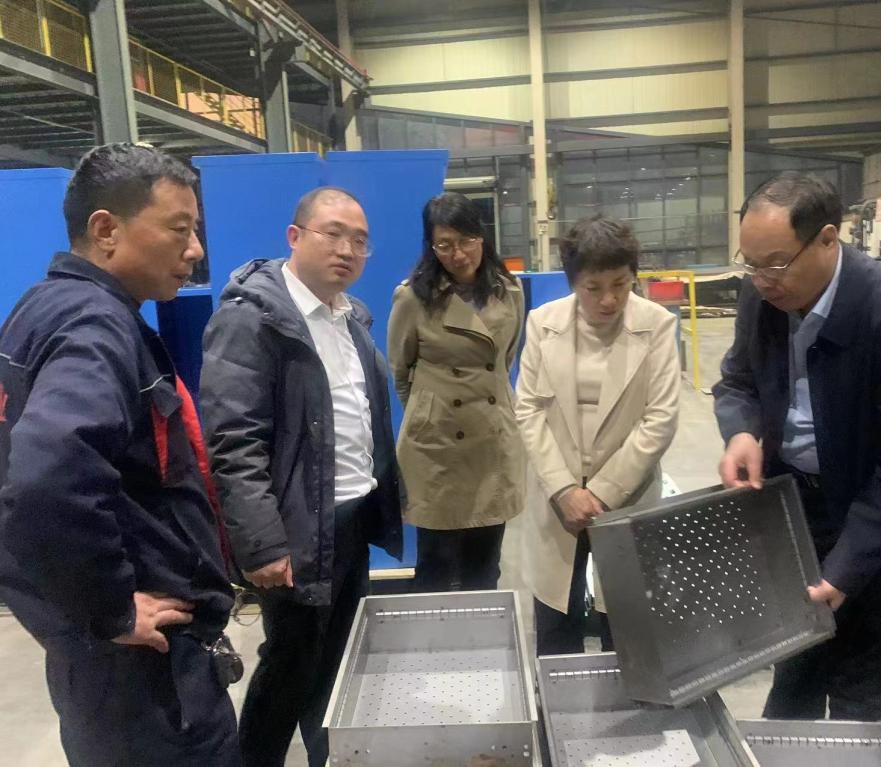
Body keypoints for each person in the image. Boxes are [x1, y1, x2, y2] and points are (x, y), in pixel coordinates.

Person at [0, 143, 240, 766]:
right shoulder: (94, 325)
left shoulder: (41, 308)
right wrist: (109, 609)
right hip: (147, 674)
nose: (195, 250)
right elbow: (46, 479)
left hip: (96, 662)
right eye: (179, 229)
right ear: (106, 230)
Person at [713, 172, 881, 721]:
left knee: (862, 702)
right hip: (803, 514)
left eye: (775, 263)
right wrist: (742, 432)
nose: (761, 280)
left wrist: (846, 569)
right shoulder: (762, 295)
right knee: (794, 687)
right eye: (750, 264)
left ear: (828, 239)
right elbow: (738, 381)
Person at [200, 187, 403, 767]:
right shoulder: (251, 320)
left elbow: (361, 417)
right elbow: (233, 441)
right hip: (295, 529)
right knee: (291, 664)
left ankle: (329, 758)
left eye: (359, 240)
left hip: (349, 519)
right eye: (332, 234)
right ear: (295, 237)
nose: (347, 250)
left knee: (339, 660)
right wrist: (262, 544)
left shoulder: (351, 317)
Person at [515, 214, 681, 656]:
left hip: (627, 498)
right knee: (556, 624)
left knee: (624, 630)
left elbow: (661, 418)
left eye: (621, 284)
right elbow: (528, 409)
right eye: (594, 288)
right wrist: (564, 489)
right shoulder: (543, 323)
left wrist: (603, 493)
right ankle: (557, 701)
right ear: (573, 282)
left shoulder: (657, 325)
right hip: (558, 502)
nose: (609, 299)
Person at [388, 192, 525, 592]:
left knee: (485, 567)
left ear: (482, 237)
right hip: (437, 450)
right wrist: (429, 415)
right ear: (431, 246)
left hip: (491, 443)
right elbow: (400, 371)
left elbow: (504, 361)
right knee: (434, 568)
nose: (458, 254)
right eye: (444, 244)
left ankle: (483, 631)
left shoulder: (510, 290)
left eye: (466, 241)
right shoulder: (413, 297)